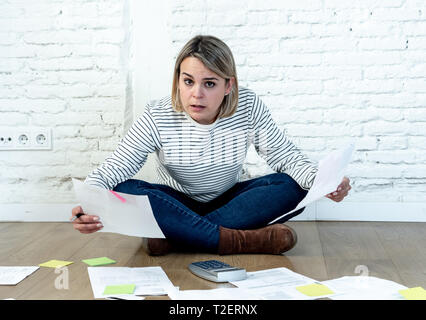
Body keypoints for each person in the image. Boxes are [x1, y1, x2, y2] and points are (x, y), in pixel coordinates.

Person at [71, 35, 351, 256]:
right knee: (124, 189)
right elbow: (117, 166)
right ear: (178, 79)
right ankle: (238, 240)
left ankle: (176, 236)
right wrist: (86, 201)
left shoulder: (248, 106)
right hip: (176, 200)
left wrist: (323, 182)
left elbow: (285, 157)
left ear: (228, 85)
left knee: (292, 185)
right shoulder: (157, 115)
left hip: (230, 199)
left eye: (210, 83)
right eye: (188, 81)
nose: (196, 94)